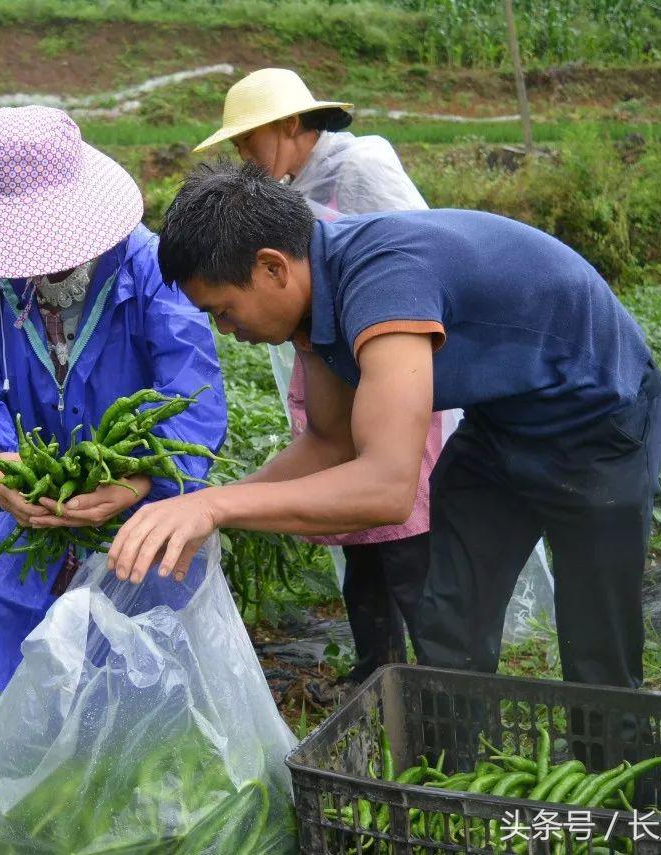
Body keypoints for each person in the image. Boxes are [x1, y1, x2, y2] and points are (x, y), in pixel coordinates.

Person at [105, 162, 661, 690]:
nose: (226, 330)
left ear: (273, 267)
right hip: (502, 422)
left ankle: (618, 790)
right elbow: (331, 442)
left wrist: (213, 507)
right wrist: (207, 508)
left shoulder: (382, 283)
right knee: (451, 624)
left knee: (599, 650)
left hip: (600, 422)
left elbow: (386, 488)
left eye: (224, 310)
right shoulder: (314, 301)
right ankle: (456, 785)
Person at [0, 106, 227, 768]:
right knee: (0, 596)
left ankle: (146, 777)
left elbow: (191, 392)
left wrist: (139, 478)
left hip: (142, 500)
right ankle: (4, 787)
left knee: (147, 620)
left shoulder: (150, 270)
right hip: (28, 505)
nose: (39, 261)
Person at [196, 67, 436, 681]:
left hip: (392, 367)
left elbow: (417, 259)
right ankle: (376, 666)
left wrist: (224, 506)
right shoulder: (289, 186)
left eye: (249, 142)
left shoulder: (360, 167)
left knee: (402, 525)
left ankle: (433, 677)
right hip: (335, 366)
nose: (245, 158)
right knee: (359, 533)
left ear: (292, 125)